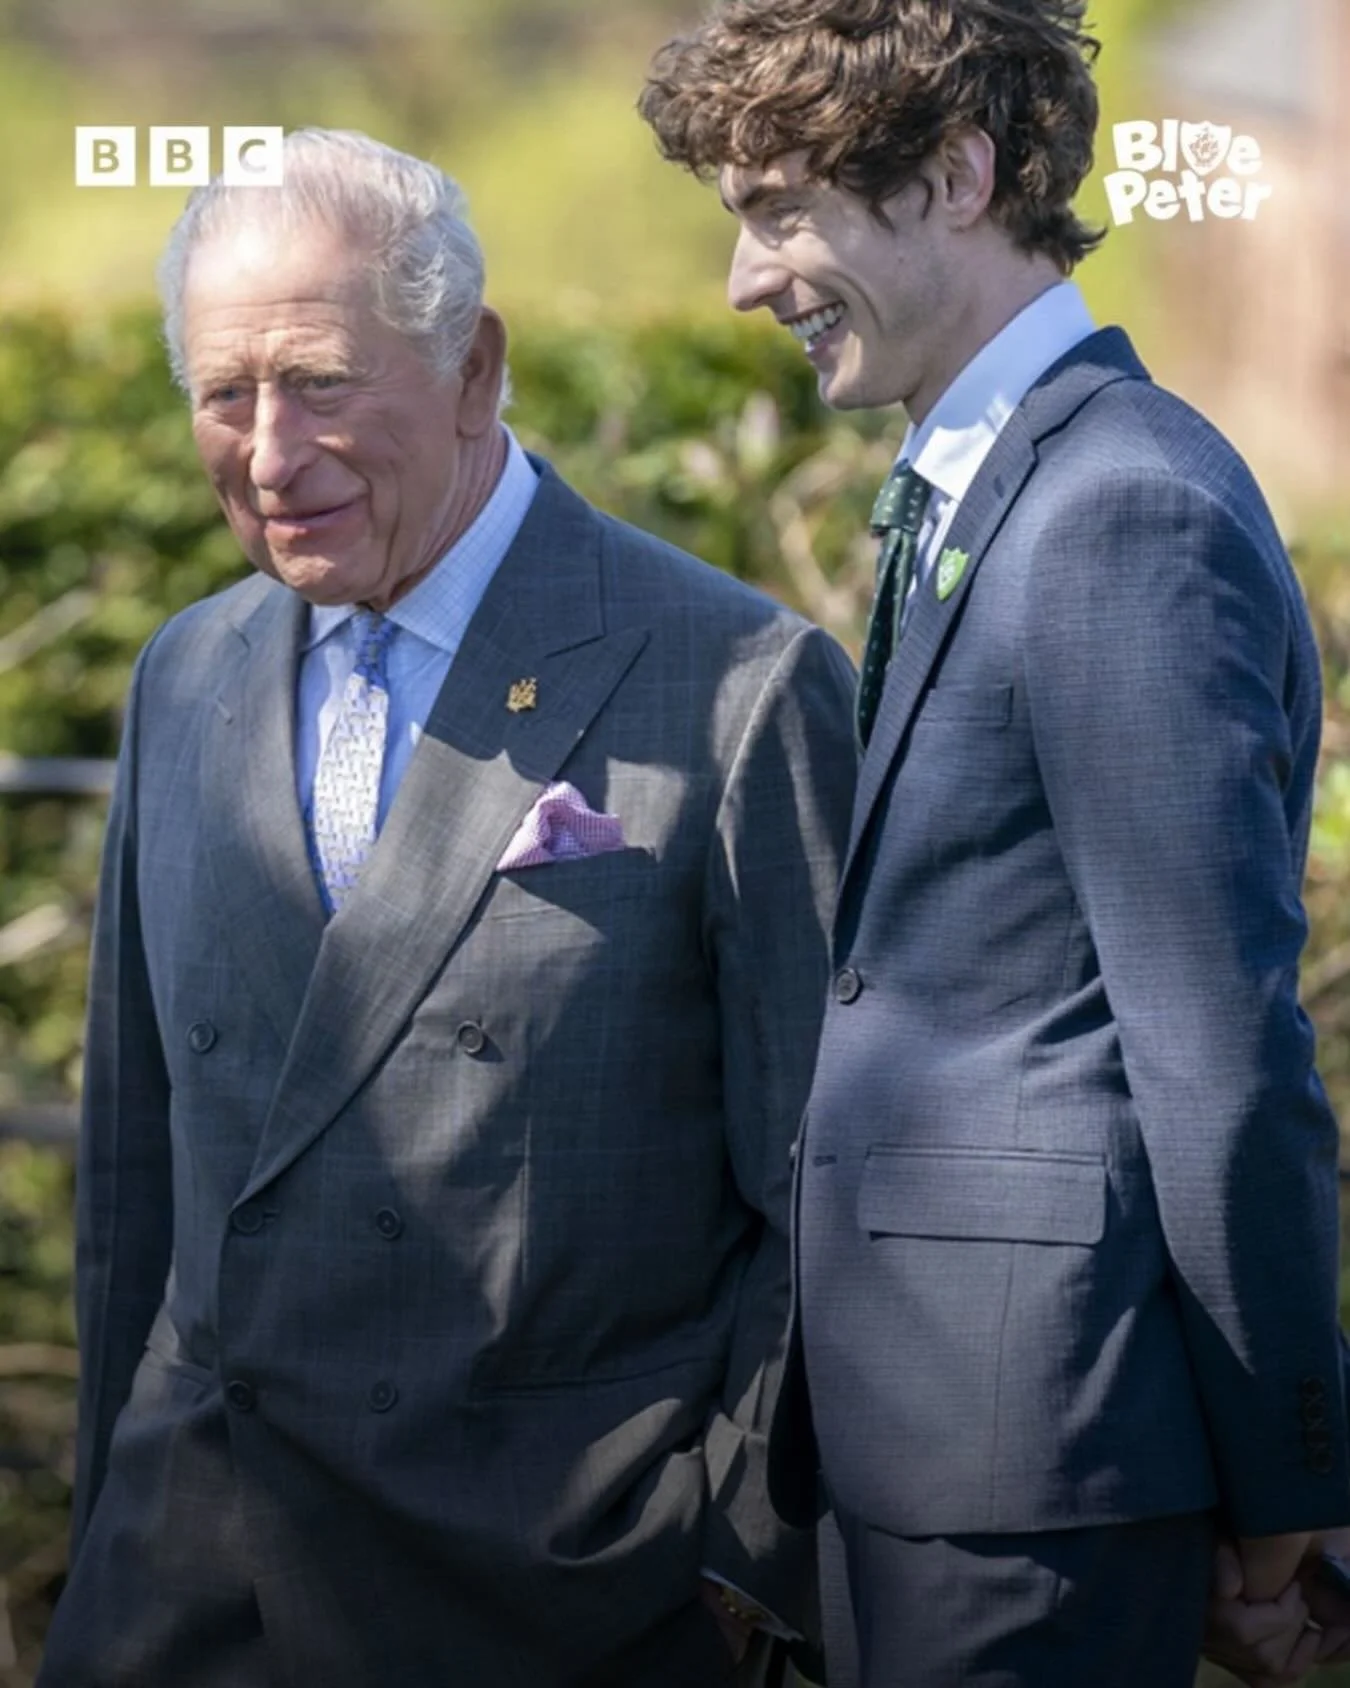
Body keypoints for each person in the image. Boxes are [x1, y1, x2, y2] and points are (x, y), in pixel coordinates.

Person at [38, 127, 858, 1688]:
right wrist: (111, 1521)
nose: (269, 454)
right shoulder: (185, 674)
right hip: (186, 1589)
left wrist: (735, 1561)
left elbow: (819, 1197)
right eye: (225, 394)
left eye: (321, 382)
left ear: (473, 365)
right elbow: (137, 1168)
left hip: (551, 1601)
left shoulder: (735, 688)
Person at [639, 3, 1350, 1684]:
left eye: (778, 211)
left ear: (956, 176)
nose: (746, 281)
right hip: (937, 1446)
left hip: (1044, 1472)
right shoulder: (984, 481)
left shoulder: (1121, 510)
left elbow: (1214, 1052)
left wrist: (1285, 1488)